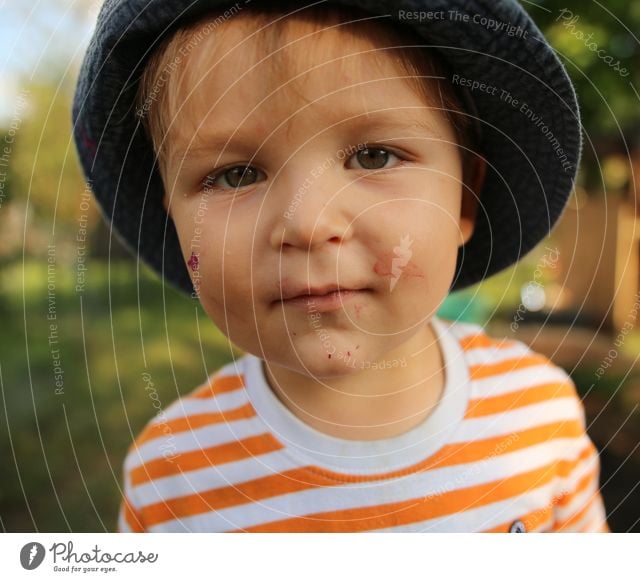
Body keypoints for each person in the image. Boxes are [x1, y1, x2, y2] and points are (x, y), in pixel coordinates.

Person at [72, 0, 609, 532]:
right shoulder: (173, 483)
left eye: (374, 156)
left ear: (464, 200)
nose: (307, 223)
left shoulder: (538, 419)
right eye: (236, 175)